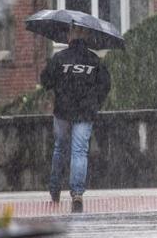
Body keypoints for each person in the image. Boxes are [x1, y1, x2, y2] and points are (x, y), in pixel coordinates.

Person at [39, 24, 111, 214]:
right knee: (79, 150)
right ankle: (77, 194)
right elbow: (105, 85)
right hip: (85, 112)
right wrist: (94, 102)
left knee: (60, 147)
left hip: (63, 110)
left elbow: (45, 81)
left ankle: (55, 188)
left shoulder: (59, 58)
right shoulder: (94, 61)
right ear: (86, 36)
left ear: (70, 36)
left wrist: (60, 85)